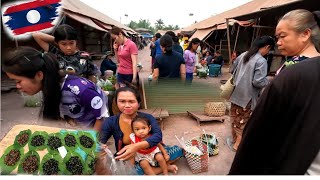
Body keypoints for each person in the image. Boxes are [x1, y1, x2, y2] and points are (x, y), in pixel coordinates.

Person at [229, 9, 320, 175]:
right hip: (251, 100)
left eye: (282, 36)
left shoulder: (245, 55)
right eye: (277, 38)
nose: (278, 42)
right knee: (241, 122)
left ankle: (235, 143)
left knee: (237, 121)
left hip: (241, 98)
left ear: (305, 34)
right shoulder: (291, 64)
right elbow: (258, 82)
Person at [2, 46, 109, 132]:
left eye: (18, 81)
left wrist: (92, 143)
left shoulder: (80, 90)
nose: (17, 86)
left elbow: (102, 116)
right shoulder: (50, 88)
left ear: (39, 75)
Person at [99, 87, 182, 175]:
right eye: (122, 101)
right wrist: (101, 146)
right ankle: (163, 167)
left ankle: (154, 168)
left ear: (138, 103)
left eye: (131, 101)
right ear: (116, 103)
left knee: (178, 151)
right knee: (130, 173)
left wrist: (136, 146)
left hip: (152, 151)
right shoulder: (110, 121)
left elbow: (158, 136)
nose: (127, 105)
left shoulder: (148, 117)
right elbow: (101, 140)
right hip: (131, 157)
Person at [228, 36, 275, 151]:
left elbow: (231, 70)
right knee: (244, 120)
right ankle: (237, 145)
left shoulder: (244, 54)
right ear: (267, 47)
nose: (268, 52)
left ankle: (234, 140)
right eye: (269, 50)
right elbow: (257, 82)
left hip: (235, 94)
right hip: (247, 98)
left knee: (235, 117)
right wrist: (269, 79)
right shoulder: (261, 61)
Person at [32, 24, 98, 83]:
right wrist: (57, 41)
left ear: (76, 41)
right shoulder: (55, 53)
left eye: (71, 43)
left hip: (81, 92)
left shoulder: (84, 56)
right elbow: (36, 35)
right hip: (61, 93)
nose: (68, 47)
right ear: (57, 43)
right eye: (64, 44)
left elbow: (91, 76)